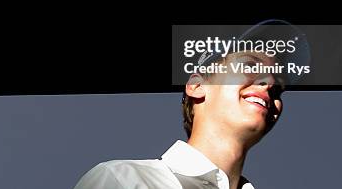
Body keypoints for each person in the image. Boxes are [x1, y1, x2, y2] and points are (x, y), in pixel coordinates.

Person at [73, 49, 286, 189]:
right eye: (249, 66)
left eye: (278, 87)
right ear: (197, 86)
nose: (269, 83)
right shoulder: (123, 180)